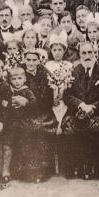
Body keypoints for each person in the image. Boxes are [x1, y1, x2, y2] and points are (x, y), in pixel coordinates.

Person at [65, 42, 99, 179]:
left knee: (94, 128)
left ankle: (93, 166)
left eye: (89, 53)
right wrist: (81, 105)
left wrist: (92, 107)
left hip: (97, 112)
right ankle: (78, 165)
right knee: (69, 129)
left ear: (95, 54)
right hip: (78, 111)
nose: (87, 56)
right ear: (79, 55)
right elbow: (67, 96)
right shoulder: (75, 71)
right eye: (83, 53)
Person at [18, 49, 57, 182]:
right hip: (24, 114)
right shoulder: (19, 74)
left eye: (34, 60)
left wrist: (28, 104)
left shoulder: (44, 75)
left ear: (39, 61)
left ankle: (41, 168)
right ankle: (29, 169)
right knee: (26, 128)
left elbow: (47, 100)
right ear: (24, 60)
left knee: (40, 128)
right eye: (28, 60)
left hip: (43, 113)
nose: (31, 63)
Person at [4, 66, 36, 182]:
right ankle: (6, 171)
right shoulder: (9, 91)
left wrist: (25, 102)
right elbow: (5, 106)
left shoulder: (27, 91)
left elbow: (34, 103)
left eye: (19, 78)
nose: (17, 81)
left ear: (24, 79)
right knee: (8, 145)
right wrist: (6, 104)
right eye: (13, 79)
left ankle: (28, 171)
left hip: (24, 122)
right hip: (11, 123)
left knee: (25, 145)